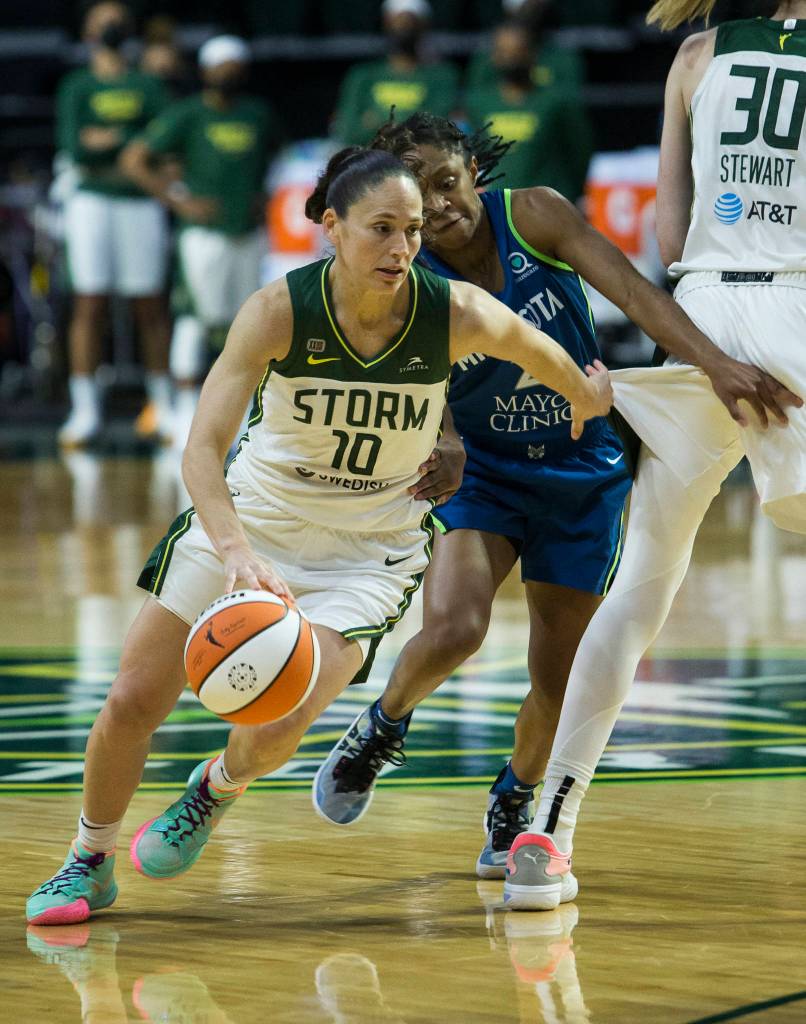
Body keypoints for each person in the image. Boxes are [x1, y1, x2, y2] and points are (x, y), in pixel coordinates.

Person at [25, 146, 614, 926]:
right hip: (253, 524)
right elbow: (201, 450)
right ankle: (88, 860)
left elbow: (544, 352)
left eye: (412, 230)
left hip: (367, 553)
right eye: (382, 228)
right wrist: (236, 551)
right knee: (132, 699)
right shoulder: (279, 310)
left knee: (280, 720)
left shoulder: (454, 313)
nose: (402, 247)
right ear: (332, 226)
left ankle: (215, 789)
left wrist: (584, 395)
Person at [311, 110, 800, 880]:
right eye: (419, 194)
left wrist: (714, 363)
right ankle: (381, 725)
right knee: (456, 628)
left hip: (582, 468)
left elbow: (633, 292)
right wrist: (444, 435)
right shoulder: (404, 272)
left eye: (447, 182)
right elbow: (408, 368)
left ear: (473, 171)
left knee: (558, 677)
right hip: (486, 470)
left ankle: (517, 794)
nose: (439, 205)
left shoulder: (533, 215)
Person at [502, 0, 806, 911]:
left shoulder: (697, 53)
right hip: (796, 313)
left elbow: (671, 240)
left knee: (641, 588)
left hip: (702, 321)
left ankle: (548, 836)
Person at [121, 35, 285, 448]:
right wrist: (179, 200)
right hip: (202, 235)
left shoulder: (259, 114)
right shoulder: (188, 114)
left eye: (233, 65)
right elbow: (135, 159)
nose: (227, 73)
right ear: (205, 71)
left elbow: (280, 160)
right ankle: (183, 410)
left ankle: (245, 415)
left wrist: (264, 195)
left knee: (248, 322)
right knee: (196, 318)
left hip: (248, 232)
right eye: (219, 66)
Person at [56, 1, 173, 446]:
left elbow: (162, 142)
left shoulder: (147, 84)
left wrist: (108, 139)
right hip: (90, 201)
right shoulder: (76, 85)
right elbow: (75, 147)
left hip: (139, 201)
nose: (110, 26)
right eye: (101, 19)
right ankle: (85, 409)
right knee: (89, 302)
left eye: (117, 19)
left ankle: (163, 405)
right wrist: (130, 142)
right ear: (87, 31)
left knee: (149, 304)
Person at [463, 20, 593, 198]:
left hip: (546, 204)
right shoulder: (479, 103)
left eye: (518, 51)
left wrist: (568, 195)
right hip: (497, 204)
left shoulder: (555, 102)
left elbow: (580, 153)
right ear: (494, 56)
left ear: (533, 53)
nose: (511, 59)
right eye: (503, 52)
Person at [330, 0, 459, 147]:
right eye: (397, 20)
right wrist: (411, 121)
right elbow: (348, 130)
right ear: (385, 22)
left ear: (424, 25)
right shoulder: (362, 75)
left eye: (409, 21)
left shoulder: (442, 77)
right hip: (369, 158)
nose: (403, 26)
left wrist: (375, 122)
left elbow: (435, 131)